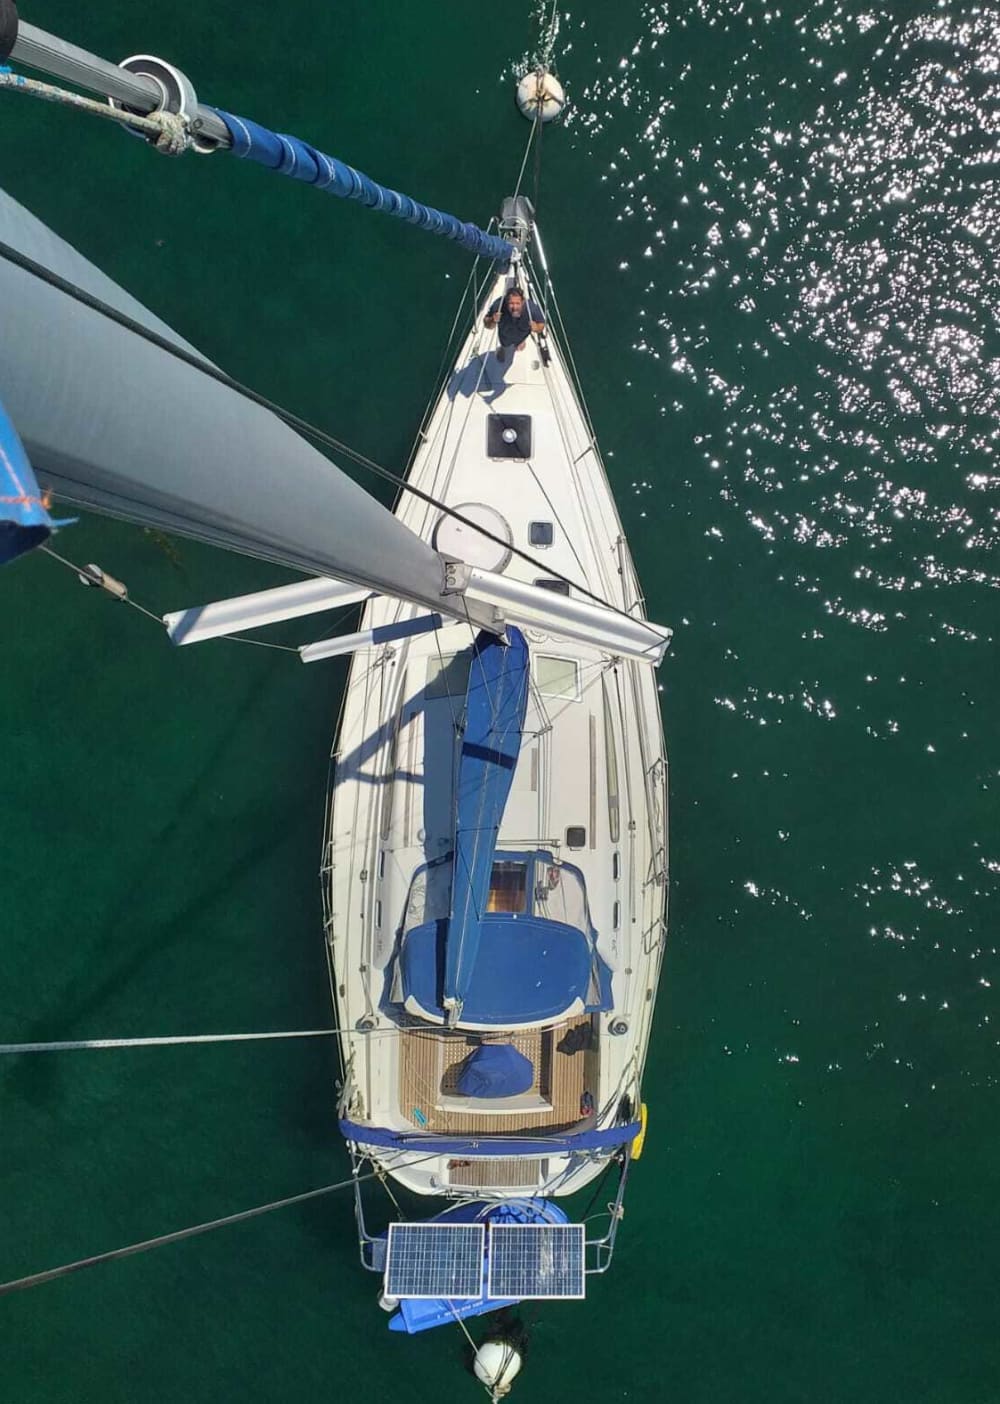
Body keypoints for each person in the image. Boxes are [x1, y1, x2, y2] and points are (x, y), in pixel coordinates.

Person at [484, 286, 545, 362]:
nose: (514, 307)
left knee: (520, 343)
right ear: (506, 302)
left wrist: (536, 328)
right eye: (511, 303)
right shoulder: (498, 306)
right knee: (504, 344)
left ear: (523, 302)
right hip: (504, 337)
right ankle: (503, 348)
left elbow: (541, 325)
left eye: (517, 303)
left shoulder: (532, 309)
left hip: (521, 336)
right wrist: (493, 320)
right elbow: (486, 324)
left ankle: (520, 343)